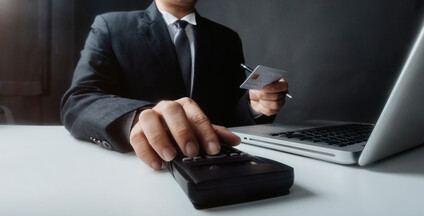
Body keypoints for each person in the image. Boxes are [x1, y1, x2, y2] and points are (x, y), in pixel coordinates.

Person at [60, 0, 289, 170]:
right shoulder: (111, 26)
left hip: (214, 165)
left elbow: (229, 112)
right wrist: (139, 117)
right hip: (139, 168)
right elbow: (78, 100)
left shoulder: (226, 38)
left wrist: (255, 106)